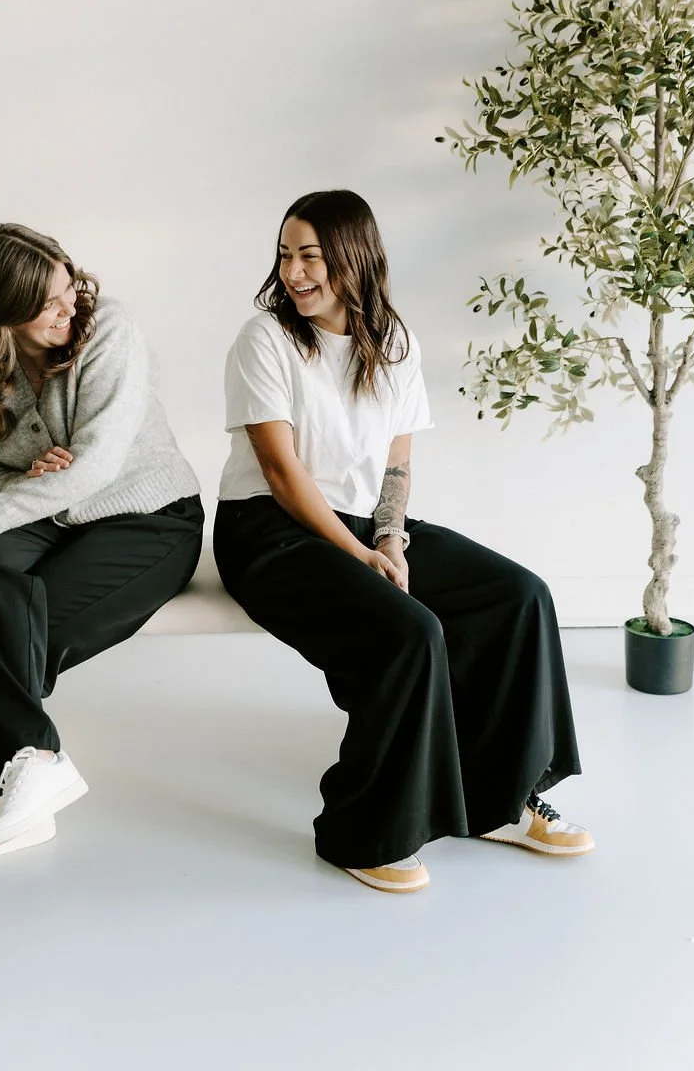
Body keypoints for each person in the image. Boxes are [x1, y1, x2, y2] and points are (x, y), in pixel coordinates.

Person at [212, 190, 592, 893]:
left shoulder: (394, 343)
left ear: (354, 258)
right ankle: (364, 834)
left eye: (311, 257)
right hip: (269, 530)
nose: (294, 272)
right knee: (409, 632)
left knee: (517, 596)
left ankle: (499, 799)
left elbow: (395, 464)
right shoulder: (263, 340)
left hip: (360, 522)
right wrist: (358, 557)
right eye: (286, 255)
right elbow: (281, 472)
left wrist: (388, 537)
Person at [0, 222, 203, 864]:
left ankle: (4, 786)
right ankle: (31, 773)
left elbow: (97, 466)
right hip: (53, 518)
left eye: (67, 286)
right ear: (2, 314)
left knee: (7, 625)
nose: (67, 306)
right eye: (47, 302)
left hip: (150, 518)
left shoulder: (109, 329)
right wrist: (23, 479)